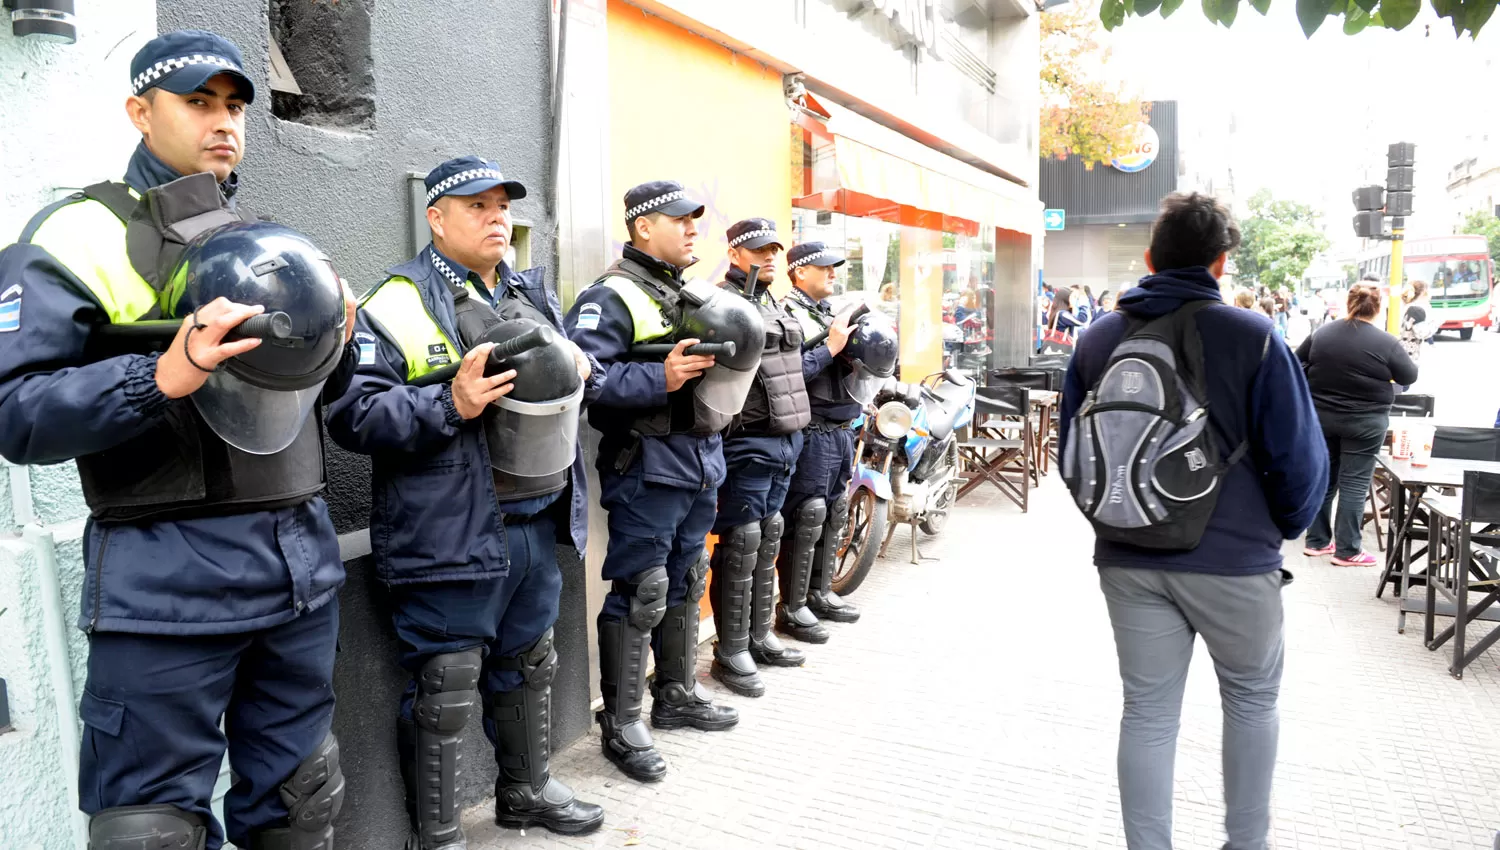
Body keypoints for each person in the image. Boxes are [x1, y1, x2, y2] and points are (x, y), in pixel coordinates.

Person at [0, 30, 361, 850]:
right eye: (198, 102)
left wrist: (336, 338)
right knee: (150, 830)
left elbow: (332, 397)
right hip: (164, 585)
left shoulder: (276, 244)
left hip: (295, 574)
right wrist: (157, 377)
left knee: (303, 804)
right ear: (139, 111)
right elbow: (16, 412)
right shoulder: (76, 234)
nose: (223, 121)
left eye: (234, 106)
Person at [326, 157, 606, 846]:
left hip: (534, 523)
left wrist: (581, 367)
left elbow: (561, 391)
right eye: (476, 206)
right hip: (447, 532)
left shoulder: (529, 294)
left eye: (502, 206)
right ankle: (440, 834)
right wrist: (446, 403)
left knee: (530, 666)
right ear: (436, 217)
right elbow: (352, 417)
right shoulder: (395, 301)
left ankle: (526, 791)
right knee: (446, 688)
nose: (495, 217)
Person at [1059, 192, 1327, 850]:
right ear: (1221, 263)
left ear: (1150, 258)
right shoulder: (1254, 336)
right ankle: (1245, 844)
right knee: (1251, 700)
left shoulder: (1099, 336)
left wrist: (1115, 520)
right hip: (1235, 561)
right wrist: (1283, 528)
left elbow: (1069, 451)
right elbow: (1299, 456)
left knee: (1147, 713)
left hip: (1129, 558)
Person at [562, 181, 745, 783]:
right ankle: (622, 722)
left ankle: (676, 693)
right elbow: (583, 382)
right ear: (643, 227)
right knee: (641, 590)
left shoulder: (684, 289)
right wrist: (656, 380)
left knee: (689, 580)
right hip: (645, 464)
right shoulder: (609, 295)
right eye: (680, 220)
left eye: (697, 220)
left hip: (699, 460)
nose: (694, 229)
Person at [708, 218, 812, 697]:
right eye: (757, 250)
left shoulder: (771, 300)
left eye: (774, 250)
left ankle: (758, 635)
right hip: (748, 440)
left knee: (769, 536)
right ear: (734, 253)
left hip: (785, 440)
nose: (769, 257)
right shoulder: (723, 302)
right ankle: (730, 651)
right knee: (742, 541)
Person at [1297, 281, 1419, 567]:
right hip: (1365, 422)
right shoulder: (1385, 342)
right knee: (1354, 483)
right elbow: (1409, 376)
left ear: (1348, 302)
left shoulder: (1322, 334)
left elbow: (1294, 362)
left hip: (1321, 418)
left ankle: (1316, 542)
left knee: (1324, 477)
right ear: (1377, 308)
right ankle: (1348, 550)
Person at [781, 242, 865, 641]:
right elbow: (788, 374)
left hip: (841, 431)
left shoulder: (828, 313)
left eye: (835, 267)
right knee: (806, 517)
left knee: (833, 513)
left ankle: (819, 592)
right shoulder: (787, 313)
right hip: (812, 431)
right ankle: (793, 606)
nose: (833, 273)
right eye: (825, 267)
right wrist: (830, 347)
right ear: (799, 272)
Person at [1399, 279, 1433, 363]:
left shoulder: (1405, 305)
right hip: (1410, 353)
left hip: (1400, 350)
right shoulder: (1417, 309)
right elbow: (1421, 333)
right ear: (1423, 293)